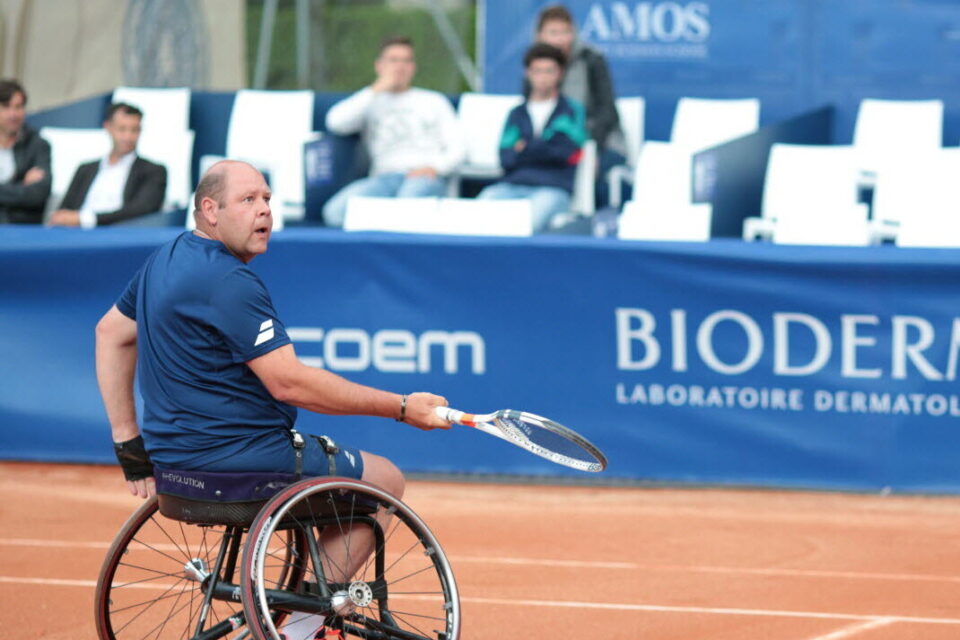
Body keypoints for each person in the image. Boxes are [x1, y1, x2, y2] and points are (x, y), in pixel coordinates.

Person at [95, 161, 451, 634]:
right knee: (384, 480)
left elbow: (109, 333)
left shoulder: (167, 256)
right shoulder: (228, 282)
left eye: (267, 199)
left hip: (175, 469)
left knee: (334, 476)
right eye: (248, 200)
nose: (264, 211)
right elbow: (290, 383)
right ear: (210, 210)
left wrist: (129, 445)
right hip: (240, 464)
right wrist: (402, 408)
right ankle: (299, 630)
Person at [322, 36, 465, 228]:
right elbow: (335, 122)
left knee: (406, 206)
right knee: (335, 212)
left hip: (424, 175)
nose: (400, 67)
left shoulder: (434, 101)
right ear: (379, 66)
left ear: (413, 67)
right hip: (384, 179)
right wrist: (377, 88)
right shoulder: (370, 101)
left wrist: (436, 168)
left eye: (406, 61)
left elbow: (459, 148)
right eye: (393, 60)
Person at [477, 43, 587, 232]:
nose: (543, 77)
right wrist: (546, 145)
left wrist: (525, 147)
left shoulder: (572, 111)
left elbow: (567, 153)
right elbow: (506, 158)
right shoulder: (516, 114)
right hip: (511, 186)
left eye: (549, 71)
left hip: (553, 188)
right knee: (478, 214)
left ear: (559, 73)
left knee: (527, 225)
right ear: (528, 73)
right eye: (537, 71)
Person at [48, 102, 167, 228]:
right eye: (122, 129)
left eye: (134, 130)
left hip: (118, 237)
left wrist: (85, 219)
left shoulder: (153, 171)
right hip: (75, 235)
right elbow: (66, 210)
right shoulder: (86, 169)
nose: (128, 137)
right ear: (108, 127)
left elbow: (141, 210)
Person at [535, 4, 622, 153]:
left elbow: (607, 112)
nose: (560, 39)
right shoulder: (535, 65)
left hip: (596, 142)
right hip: (552, 147)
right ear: (540, 36)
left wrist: (588, 146)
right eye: (553, 33)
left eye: (565, 32)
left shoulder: (592, 59)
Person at [0, 79, 51, 224]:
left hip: (22, 231)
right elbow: (27, 193)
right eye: (6, 106)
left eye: (18, 107)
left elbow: (38, 194)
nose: (13, 114)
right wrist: (21, 186)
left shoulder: (38, 145)